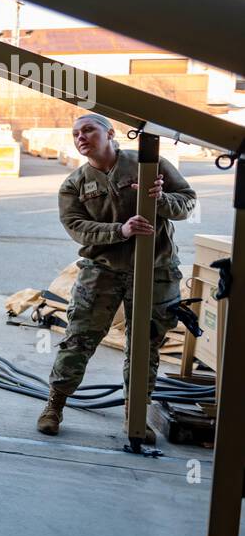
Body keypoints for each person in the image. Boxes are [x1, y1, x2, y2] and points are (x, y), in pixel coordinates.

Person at [36, 112, 197, 438]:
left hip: (156, 270)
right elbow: (77, 227)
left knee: (146, 345)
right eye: (76, 133)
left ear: (110, 133)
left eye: (89, 130)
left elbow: (187, 203)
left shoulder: (149, 164)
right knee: (79, 338)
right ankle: (54, 406)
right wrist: (120, 230)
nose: (81, 137)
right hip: (102, 271)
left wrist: (159, 200)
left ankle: (134, 415)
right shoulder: (74, 184)